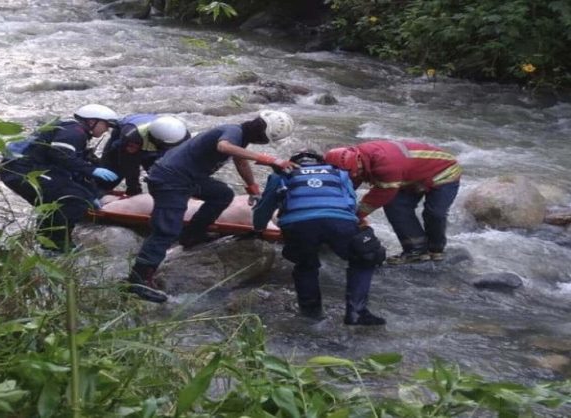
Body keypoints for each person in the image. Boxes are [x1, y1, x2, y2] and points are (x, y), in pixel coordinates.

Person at [125, 110, 296, 303]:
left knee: (222, 194)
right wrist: (270, 159)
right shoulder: (233, 131)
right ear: (263, 135)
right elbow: (224, 147)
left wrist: (253, 190)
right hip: (170, 180)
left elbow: (241, 162)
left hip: (188, 178)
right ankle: (137, 281)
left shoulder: (240, 138)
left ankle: (192, 235)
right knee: (166, 230)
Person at [252, 150, 387, 325]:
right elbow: (351, 203)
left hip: (298, 225)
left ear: (291, 162)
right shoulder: (340, 174)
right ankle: (357, 312)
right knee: (364, 257)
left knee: (305, 265)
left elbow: (265, 207)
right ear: (321, 163)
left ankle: (311, 315)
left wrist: (258, 229)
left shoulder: (280, 175)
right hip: (339, 222)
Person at [0, 104, 120, 252]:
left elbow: (70, 171)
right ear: (91, 121)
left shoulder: (73, 131)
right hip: (22, 169)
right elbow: (60, 154)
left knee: (59, 200)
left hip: (27, 168)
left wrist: (92, 194)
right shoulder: (74, 132)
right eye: (105, 125)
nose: (106, 130)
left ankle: (45, 242)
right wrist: (92, 170)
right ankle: (57, 247)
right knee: (72, 201)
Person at [324, 139, 461, 264]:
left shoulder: (386, 165)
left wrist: (355, 216)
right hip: (411, 174)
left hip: (444, 172)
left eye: (353, 172)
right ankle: (416, 251)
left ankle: (435, 249)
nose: (352, 175)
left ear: (358, 161)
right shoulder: (357, 159)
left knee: (434, 213)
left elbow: (378, 197)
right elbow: (349, 186)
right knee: (396, 207)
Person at [98, 114, 191, 196]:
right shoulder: (132, 136)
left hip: (151, 145)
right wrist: (133, 188)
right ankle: (97, 195)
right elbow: (129, 165)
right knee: (110, 177)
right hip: (126, 140)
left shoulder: (182, 135)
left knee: (161, 178)